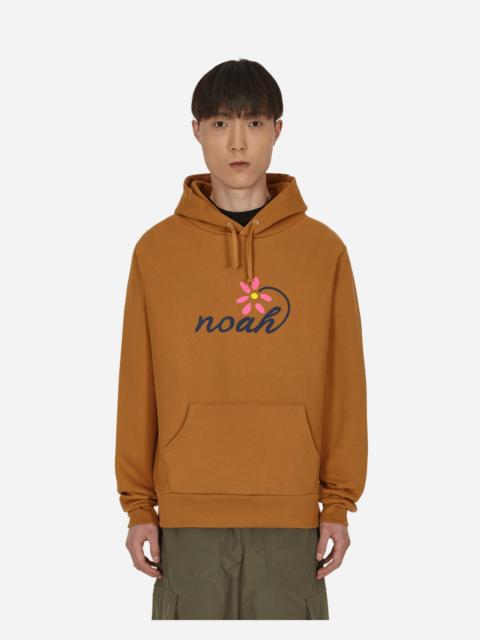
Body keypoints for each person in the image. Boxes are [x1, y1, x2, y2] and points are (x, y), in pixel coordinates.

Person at [114, 58, 368, 620]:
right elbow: (137, 383)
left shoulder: (323, 251)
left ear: (277, 130)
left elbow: (346, 386)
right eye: (220, 123)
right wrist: (138, 507)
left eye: (253, 123)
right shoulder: (156, 252)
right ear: (196, 131)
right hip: (187, 516)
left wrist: (338, 503)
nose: (237, 142)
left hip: (292, 515)